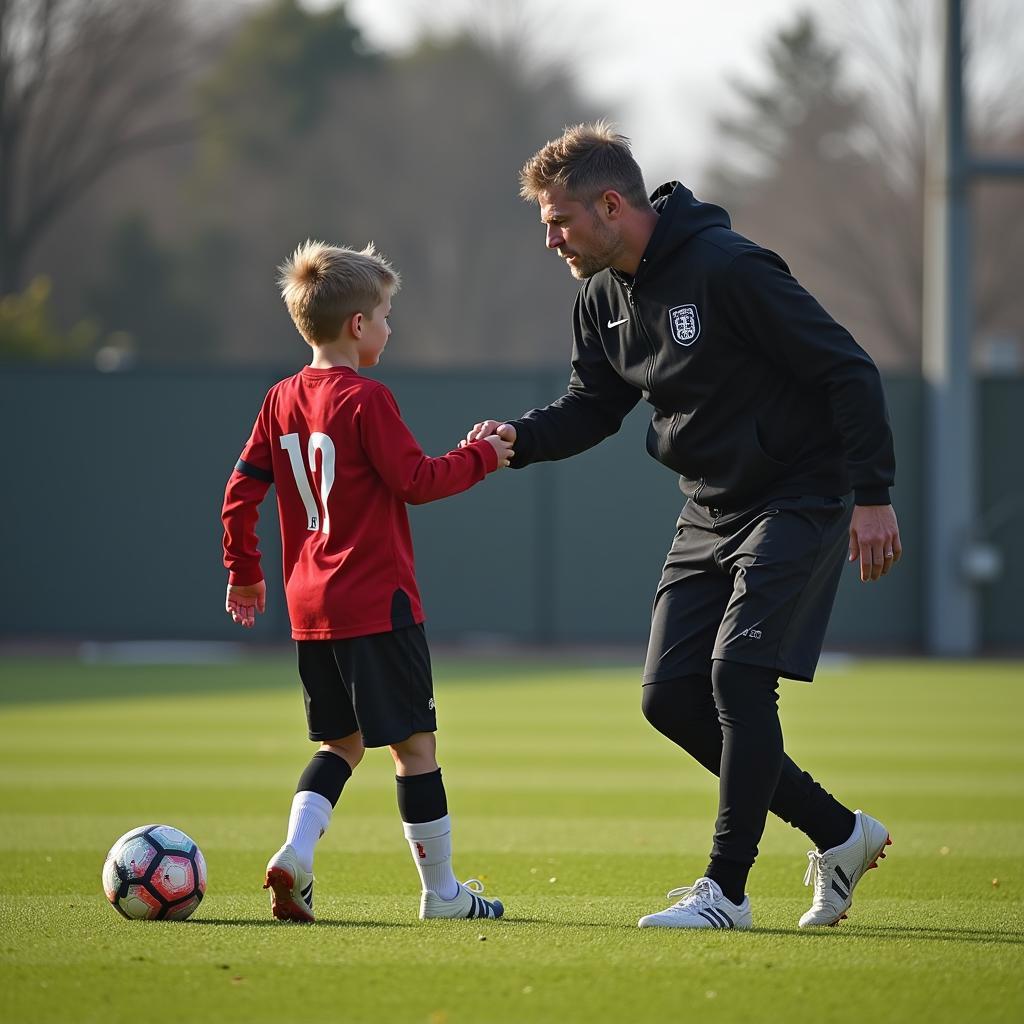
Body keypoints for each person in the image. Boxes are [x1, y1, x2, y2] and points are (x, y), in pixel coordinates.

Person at [465, 122, 901, 931]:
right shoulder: (598, 296)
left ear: (610, 204)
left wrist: (872, 495)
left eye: (558, 222)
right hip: (710, 503)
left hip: (799, 490)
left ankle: (726, 892)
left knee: (738, 674)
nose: (550, 239)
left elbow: (847, 368)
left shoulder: (729, 268)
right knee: (669, 698)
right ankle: (841, 835)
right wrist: (517, 443)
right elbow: (594, 406)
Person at [222, 240, 510, 923]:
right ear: (357, 326)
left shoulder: (280, 399)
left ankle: (295, 850)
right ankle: (442, 895)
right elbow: (416, 481)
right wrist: (483, 457)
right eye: (384, 314)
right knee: (415, 748)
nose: (389, 326)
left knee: (341, 745)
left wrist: (245, 574)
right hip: (377, 602)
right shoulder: (365, 399)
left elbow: (240, 491)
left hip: (309, 605)